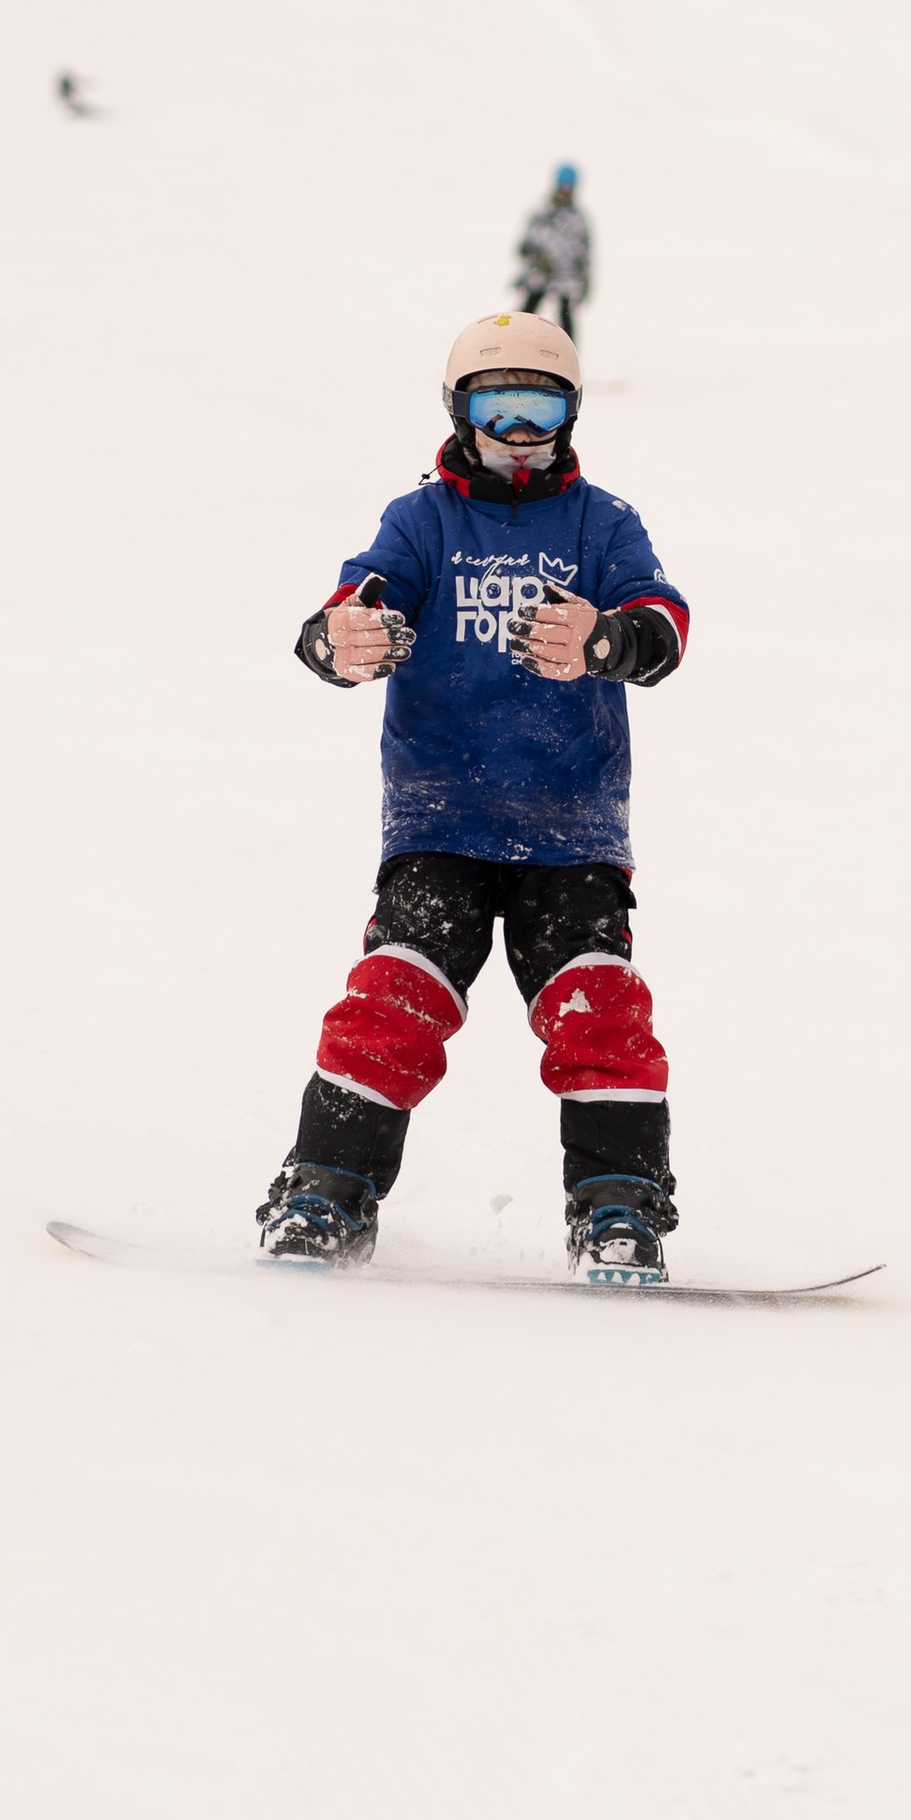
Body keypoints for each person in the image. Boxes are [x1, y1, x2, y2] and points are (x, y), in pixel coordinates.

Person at [260, 309, 689, 1283]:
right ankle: (324, 1189)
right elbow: (355, 601)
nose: (519, 433)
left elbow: (661, 620)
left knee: (600, 1009)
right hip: (442, 821)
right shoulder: (423, 522)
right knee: (396, 997)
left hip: (569, 829)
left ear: (572, 416)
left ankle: (620, 1209)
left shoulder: (602, 523)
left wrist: (609, 639)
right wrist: (343, 636)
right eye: (498, 407)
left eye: (541, 408)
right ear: (459, 411)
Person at [513, 162, 592, 340]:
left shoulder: (577, 218)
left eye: (568, 186)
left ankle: (568, 357)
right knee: (526, 313)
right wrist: (537, 259)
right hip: (540, 272)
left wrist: (584, 279)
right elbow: (526, 243)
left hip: (566, 276)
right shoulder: (542, 213)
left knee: (565, 317)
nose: (565, 190)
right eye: (562, 185)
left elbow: (584, 251)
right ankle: (514, 343)